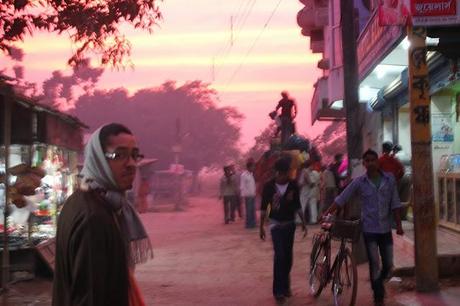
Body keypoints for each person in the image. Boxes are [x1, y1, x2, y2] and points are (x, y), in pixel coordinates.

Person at [53, 123, 153, 306]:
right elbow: (89, 296)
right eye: (119, 155)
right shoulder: (94, 217)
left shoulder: (90, 202)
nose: (131, 164)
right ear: (98, 159)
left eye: (134, 155)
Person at [323, 149, 404, 306]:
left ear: (377, 162)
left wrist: (399, 225)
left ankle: (378, 284)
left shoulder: (389, 179)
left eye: (373, 160)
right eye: (367, 161)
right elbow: (342, 198)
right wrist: (326, 212)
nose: (370, 163)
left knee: (388, 264)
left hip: (386, 228)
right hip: (369, 230)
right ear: (364, 164)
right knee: (374, 262)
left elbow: (395, 202)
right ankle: (378, 296)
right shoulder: (359, 182)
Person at [259, 156, 307, 304]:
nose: (288, 176)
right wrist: (261, 227)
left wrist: (304, 222)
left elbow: (298, 205)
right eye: (286, 173)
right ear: (279, 173)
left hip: (289, 225)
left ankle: (286, 286)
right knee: (279, 256)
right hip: (275, 225)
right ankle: (278, 291)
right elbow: (263, 208)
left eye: (288, 173)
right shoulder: (268, 187)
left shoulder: (293, 185)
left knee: (288, 258)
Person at [240, 158, 257, 228]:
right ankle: (248, 224)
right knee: (249, 210)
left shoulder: (251, 174)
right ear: (249, 167)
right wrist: (243, 195)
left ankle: (252, 223)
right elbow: (242, 186)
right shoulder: (244, 175)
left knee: (253, 210)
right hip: (248, 196)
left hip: (252, 194)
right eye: (253, 166)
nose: (254, 168)